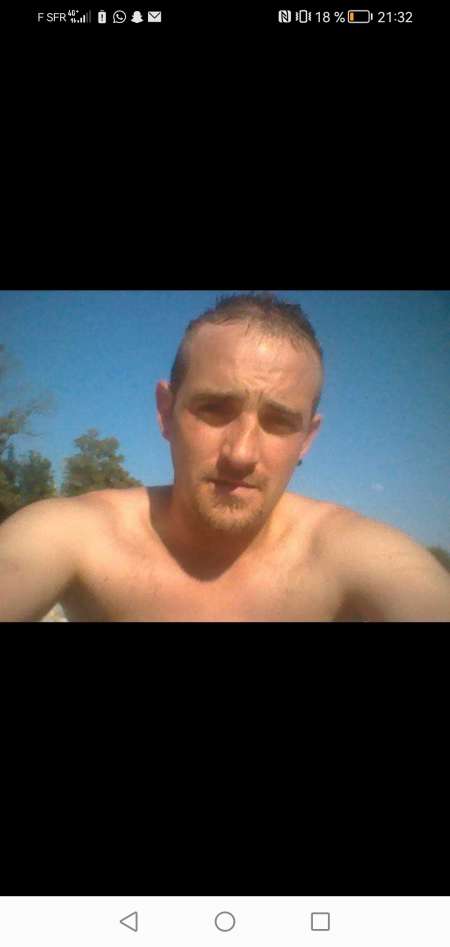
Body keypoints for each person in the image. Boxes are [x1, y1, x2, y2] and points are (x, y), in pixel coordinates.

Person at [1, 293, 449, 622]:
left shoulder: (352, 557)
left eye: (279, 421)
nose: (241, 453)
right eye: (214, 409)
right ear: (166, 412)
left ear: (307, 439)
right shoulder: (79, 538)